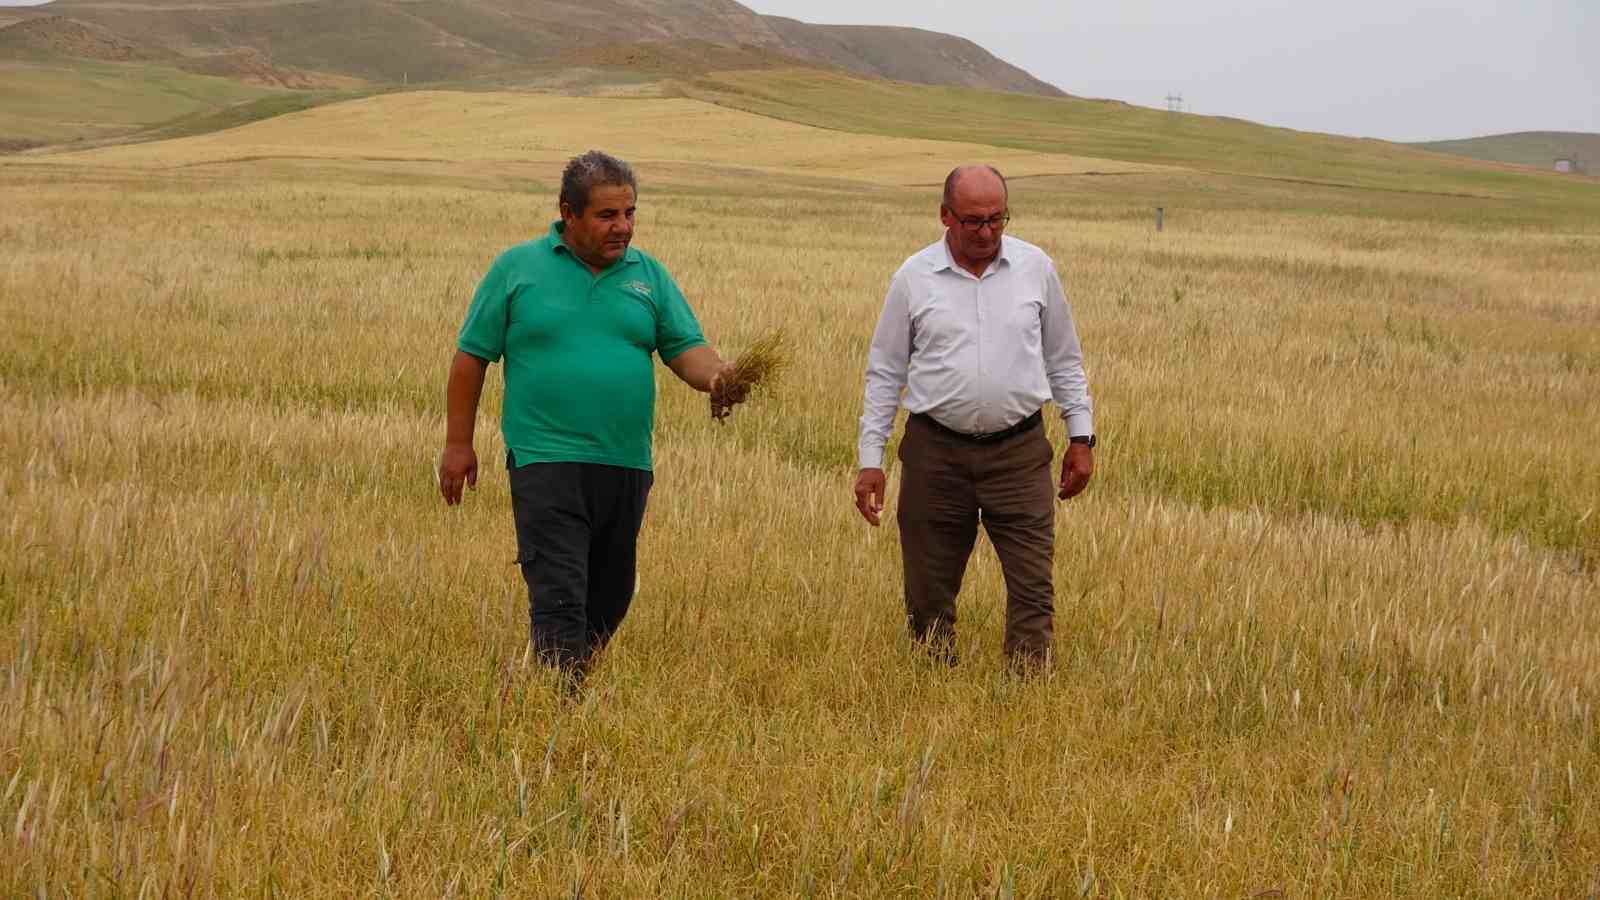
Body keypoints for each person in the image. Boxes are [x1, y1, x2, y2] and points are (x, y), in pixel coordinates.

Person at [439, 150, 745, 684]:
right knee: (559, 592)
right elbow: (471, 359)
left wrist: (720, 378)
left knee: (612, 590)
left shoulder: (647, 275)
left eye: (629, 213)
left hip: (625, 461)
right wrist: (458, 444)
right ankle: (559, 696)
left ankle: (569, 678)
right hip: (545, 458)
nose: (622, 226)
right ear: (568, 213)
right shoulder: (516, 269)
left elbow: (685, 349)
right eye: (607, 215)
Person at [854, 164, 1095, 668]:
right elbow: (885, 373)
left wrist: (1081, 436)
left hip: (1020, 452)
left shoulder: (1036, 268)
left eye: (996, 219)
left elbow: (1064, 358)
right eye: (973, 221)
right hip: (935, 453)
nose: (987, 233)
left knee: (1033, 584)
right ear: (945, 216)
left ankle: (1028, 684)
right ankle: (932, 677)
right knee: (927, 589)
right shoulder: (913, 278)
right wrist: (870, 460)